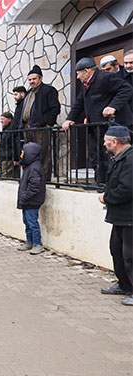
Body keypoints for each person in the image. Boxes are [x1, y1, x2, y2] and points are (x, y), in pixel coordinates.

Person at [62, 57, 133, 184]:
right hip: (96, 128)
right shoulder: (86, 85)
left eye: (78, 74)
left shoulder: (105, 78)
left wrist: (113, 106)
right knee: (96, 156)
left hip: (113, 127)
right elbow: (79, 104)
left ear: (86, 71)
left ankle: (113, 184)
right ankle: (100, 183)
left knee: (111, 156)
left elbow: (126, 88)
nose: (77, 77)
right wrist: (69, 119)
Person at [98, 125, 133, 306]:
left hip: (129, 217)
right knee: (116, 251)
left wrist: (107, 197)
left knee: (130, 255)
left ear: (115, 142)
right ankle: (124, 284)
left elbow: (127, 189)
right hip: (119, 216)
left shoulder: (130, 159)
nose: (104, 144)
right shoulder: (119, 158)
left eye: (106, 141)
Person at [21, 65, 61, 180]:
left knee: (43, 153)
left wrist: (49, 124)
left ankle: (44, 178)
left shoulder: (48, 90)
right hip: (28, 128)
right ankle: (31, 177)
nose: (31, 81)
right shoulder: (29, 93)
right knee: (29, 154)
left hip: (41, 128)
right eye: (29, 79)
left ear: (40, 79)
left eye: (34, 79)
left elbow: (55, 108)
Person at [16, 143, 46, 255]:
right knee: (27, 222)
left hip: (32, 201)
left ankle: (38, 244)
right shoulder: (30, 166)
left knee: (32, 223)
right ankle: (29, 241)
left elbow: (34, 186)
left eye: (23, 152)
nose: (21, 154)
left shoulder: (35, 167)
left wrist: (25, 196)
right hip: (27, 201)